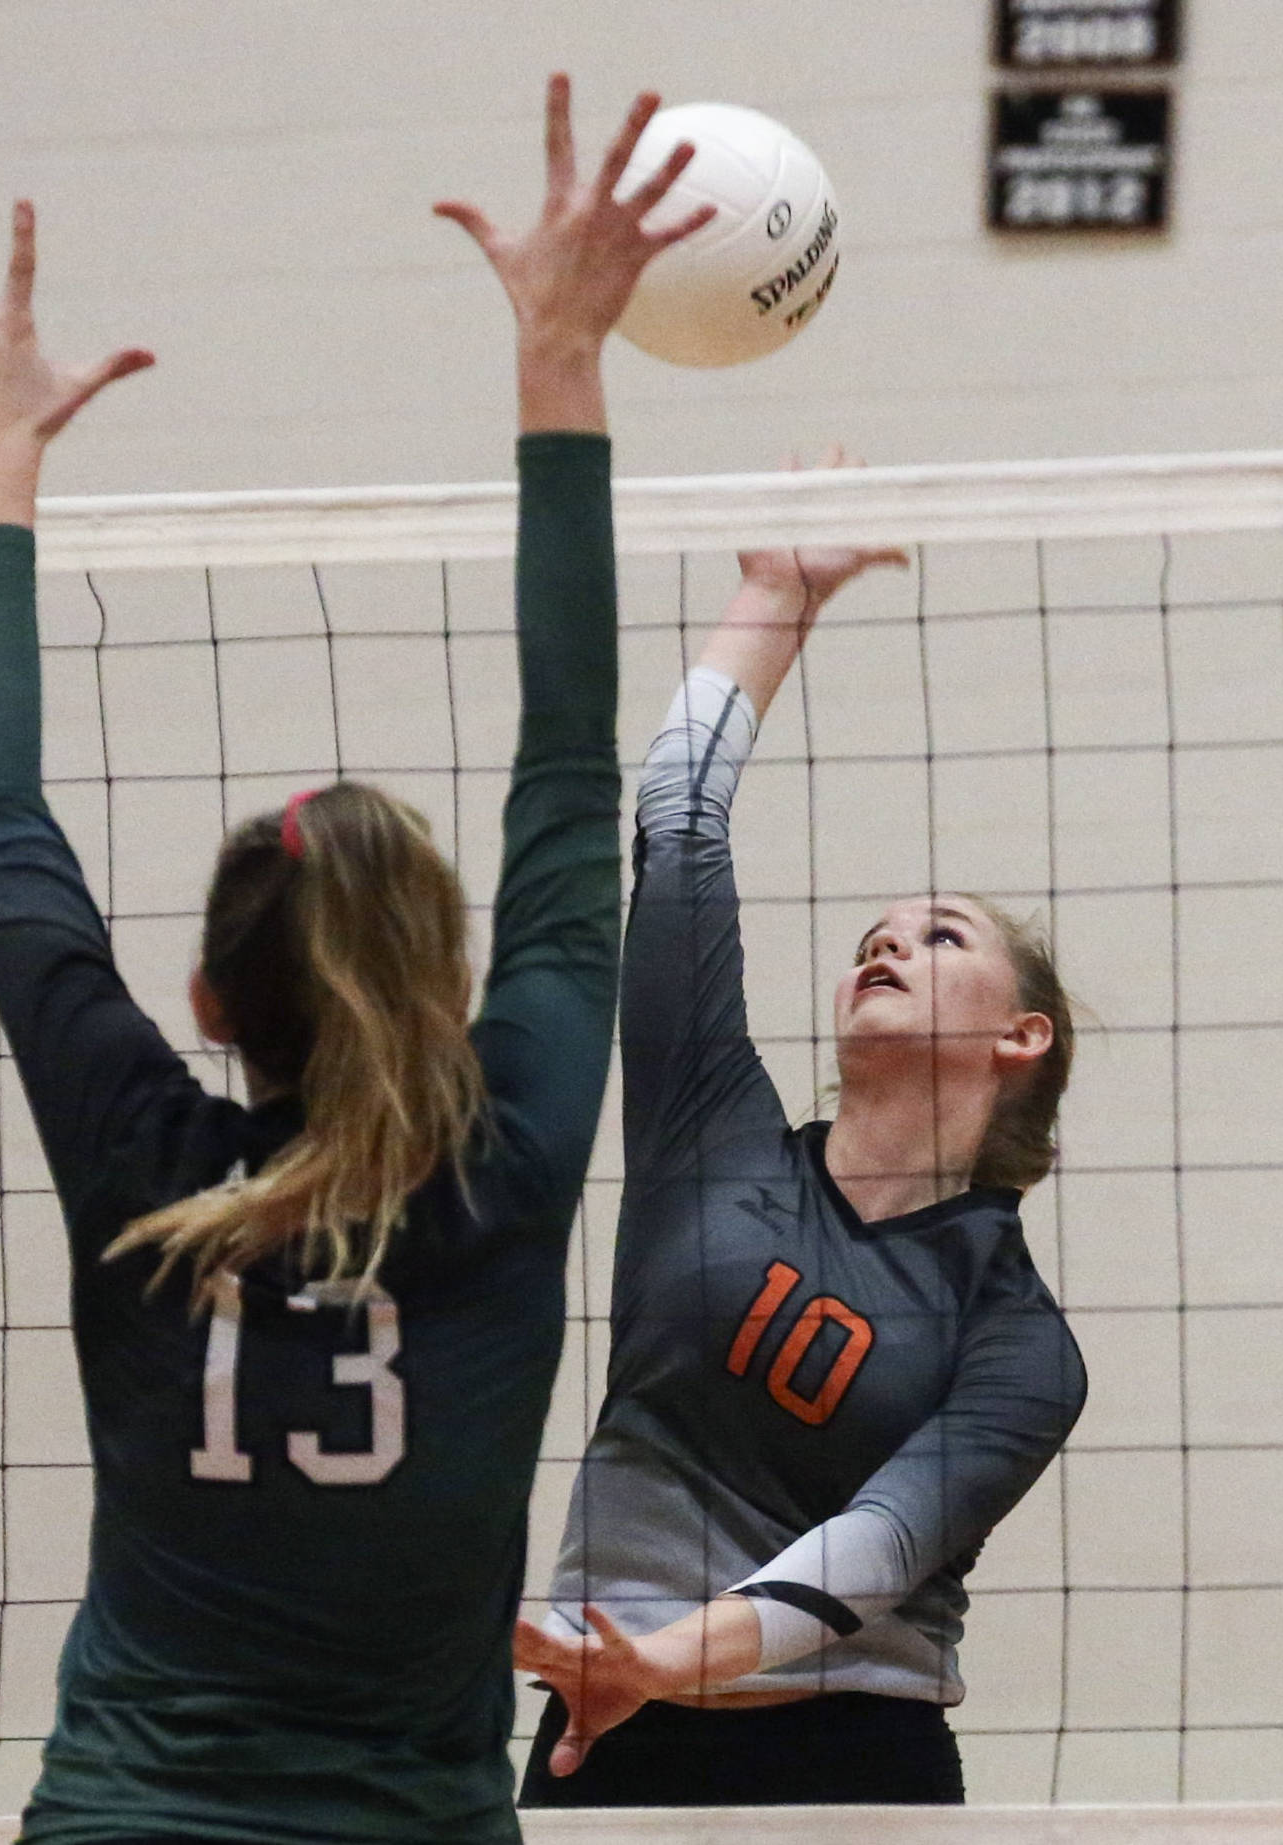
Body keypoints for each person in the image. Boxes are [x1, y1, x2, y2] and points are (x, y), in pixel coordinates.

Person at [0, 76, 711, 1845]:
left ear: (203, 1005)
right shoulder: (514, 1148)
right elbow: (575, 756)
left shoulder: (144, 1162)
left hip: (129, 1817)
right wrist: (563, 361)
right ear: (446, 979)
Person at [515, 470, 1089, 1808]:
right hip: (612, 1728)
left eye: (942, 936)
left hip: (849, 1753)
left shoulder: (1020, 1340)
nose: (888, 941)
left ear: (1024, 1036)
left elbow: (874, 1556)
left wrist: (663, 1656)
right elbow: (678, 829)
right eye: (873, 934)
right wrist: (770, 599)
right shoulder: (712, 1132)